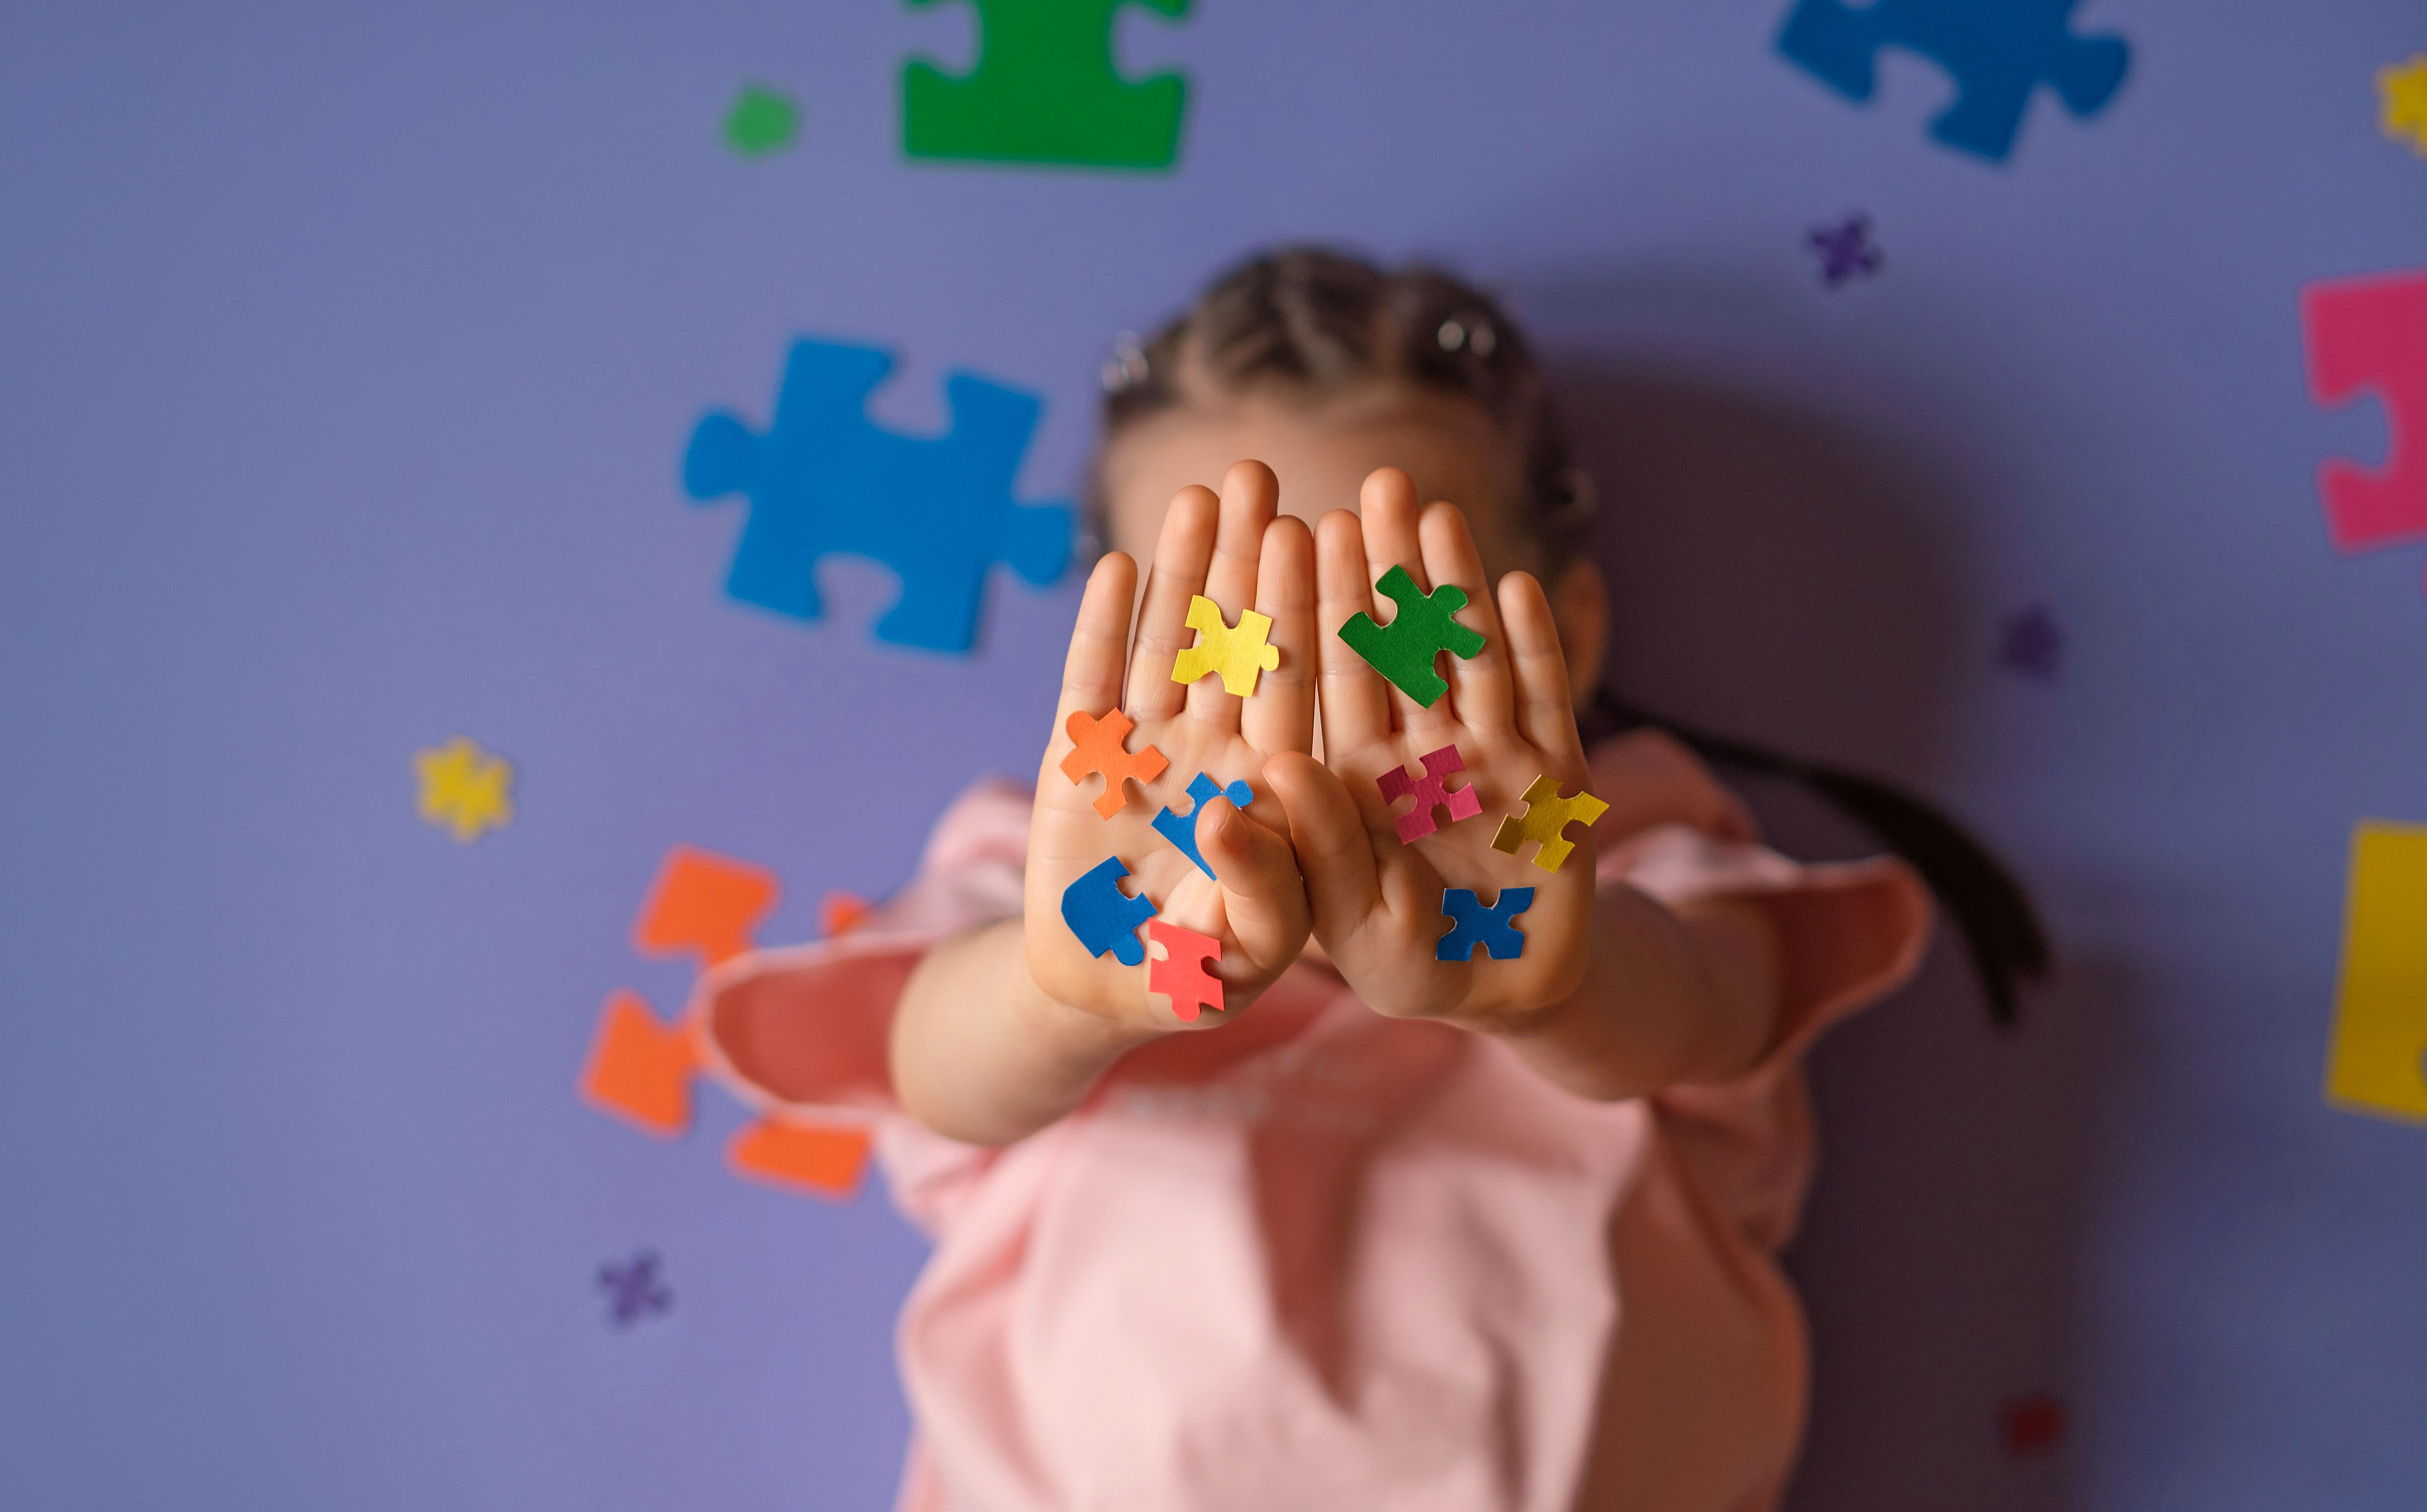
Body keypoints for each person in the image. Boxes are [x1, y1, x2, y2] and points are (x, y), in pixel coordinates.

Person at [688, 248, 2035, 1510]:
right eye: (1228, 632)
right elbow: (929, 1059)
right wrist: (1069, 992)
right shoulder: (1057, 872)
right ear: (1120, 654)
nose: (1307, 703)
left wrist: (1543, 987)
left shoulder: (1625, 851)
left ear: (1558, 632)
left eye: (1388, 626)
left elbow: (1714, 1000)